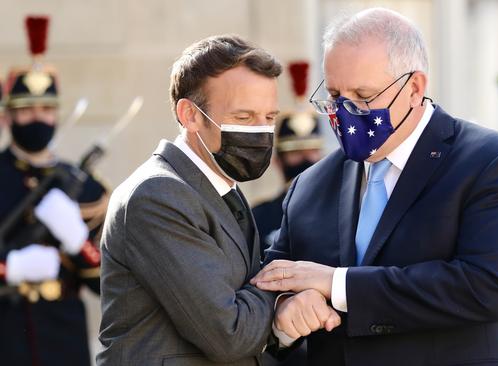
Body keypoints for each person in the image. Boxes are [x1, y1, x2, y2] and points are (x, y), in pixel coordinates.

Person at [251, 8, 498, 366]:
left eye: (363, 96)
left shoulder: (490, 163)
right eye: (336, 96)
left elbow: (486, 287)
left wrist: (339, 285)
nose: (346, 112)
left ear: (415, 88)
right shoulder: (311, 186)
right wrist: (284, 313)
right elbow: (272, 282)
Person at [97, 34, 341, 366]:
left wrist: (286, 321)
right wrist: (287, 288)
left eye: (269, 118)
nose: (260, 132)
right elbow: (229, 332)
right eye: (244, 117)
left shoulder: (219, 188)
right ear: (190, 115)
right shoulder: (157, 195)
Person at [0, 16, 108, 366]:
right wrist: (9, 268)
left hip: (63, 336)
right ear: (6, 118)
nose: (37, 118)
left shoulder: (85, 186)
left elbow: (108, 282)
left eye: (46, 109)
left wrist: (79, 243)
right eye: (25, 110)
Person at [253, 61, 323, 253]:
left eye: (312, 151)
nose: (307, 159)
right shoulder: (259, 216)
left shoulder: (345, 212)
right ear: (277, 161)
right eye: (295, 152)